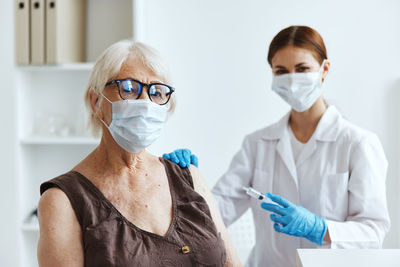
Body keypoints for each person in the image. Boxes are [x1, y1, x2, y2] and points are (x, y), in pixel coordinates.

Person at [163, 25, 390, 267]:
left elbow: (373, 232)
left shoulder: (357, 144)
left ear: (324, 69)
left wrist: (320, 228)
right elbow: (218, 211)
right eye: (281, 71)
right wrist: (185, 185)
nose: (292, 79)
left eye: (302, 69)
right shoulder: (257, 144)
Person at [37, 40, 242, 267]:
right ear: (96, 102)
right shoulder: (63, 200)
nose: (145, 103)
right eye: (128, 88)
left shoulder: (189, 176)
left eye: (157, 92)